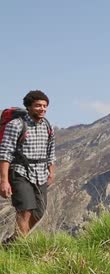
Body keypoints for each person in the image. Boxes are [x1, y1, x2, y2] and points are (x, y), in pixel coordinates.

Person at [0, 90, 56, 240]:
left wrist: (51, 172)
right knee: (25, 210)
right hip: (19, 172)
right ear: (29, 107)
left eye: (45, 106)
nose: (42, 109)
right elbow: (5, 153)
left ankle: (13, 242)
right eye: (38, 105)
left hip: (41, 174)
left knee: (40, 211)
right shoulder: (16, 125)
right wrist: (4, 181)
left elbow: (50, 151)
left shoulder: (47, 126)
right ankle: (21, 247)